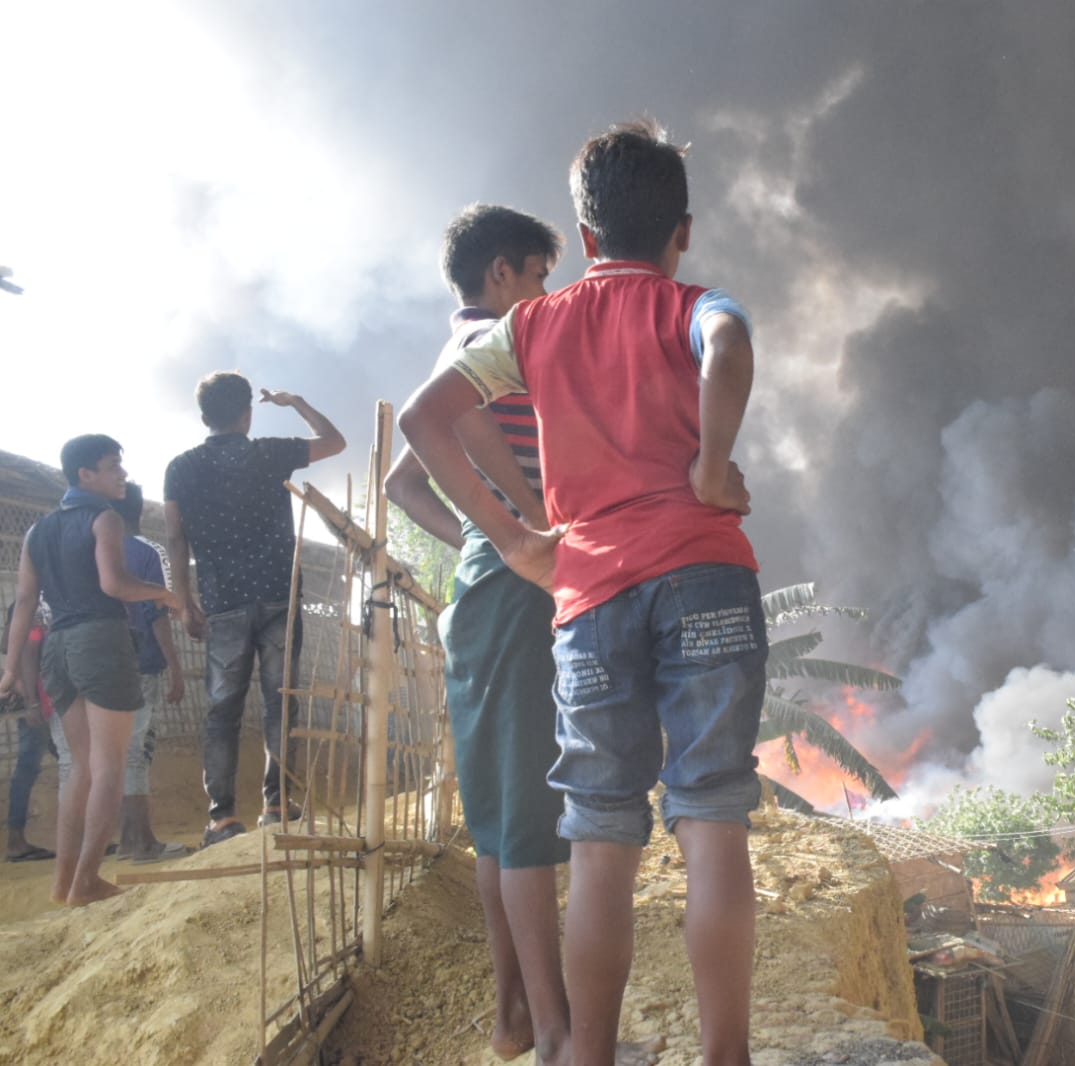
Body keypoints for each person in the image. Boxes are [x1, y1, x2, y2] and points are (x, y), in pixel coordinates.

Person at [401, 120, 766, 1066]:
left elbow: (426, 417)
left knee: (600, 840)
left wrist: (518, 541)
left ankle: (585, 1053)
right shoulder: (696, 301)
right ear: (680, 231)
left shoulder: (531, 323)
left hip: (591, 593)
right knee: (712, 817)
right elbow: (726, 345)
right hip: (705, 571)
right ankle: (727, 1055)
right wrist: (714, 466)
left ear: (588, 239)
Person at [384, 203, 573, 1062]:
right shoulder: (482, 350)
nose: (546, 290)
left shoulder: (455, 347)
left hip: (490, 586)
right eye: (538, 273)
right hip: (512, 590)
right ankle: (554, 1028)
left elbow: (399, 484)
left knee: (501, 816)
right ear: (502, 272)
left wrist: (477, 535)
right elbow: (435, 437)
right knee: (525, 818)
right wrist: (514, 534)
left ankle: (516, 1017)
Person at [163, 374, 346, 848]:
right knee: (280, 700)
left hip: (223, 604)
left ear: (204, 418)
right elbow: (335, 441)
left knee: (222, 710)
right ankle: (277, 805)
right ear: (248, 412)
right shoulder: (269, 452)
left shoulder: (181, 468)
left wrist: (184, 601)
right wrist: (298, 400)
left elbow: (176, 538)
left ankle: (221, 819)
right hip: (278, 599)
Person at [0, 435, 181, 905]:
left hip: (57, 648)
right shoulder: (105, 518)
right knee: (110, 768)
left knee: (77, 767)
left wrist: (10, 668)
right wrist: (165, 594)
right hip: (99, 639)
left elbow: (23, 601)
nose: (122, 474)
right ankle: (86, 882)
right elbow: (114, 584)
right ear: (86, 475)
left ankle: (64, 883)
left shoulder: (39, 531)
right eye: (112, 466)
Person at [106, 484, 188, 861]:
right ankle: (140, 842)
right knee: (136, 751)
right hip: (141, 663)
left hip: (100, 665)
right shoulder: (146, 552)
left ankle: (119, 838)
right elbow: (158, 616)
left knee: (110, 752)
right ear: (139, 511)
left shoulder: (94, 549)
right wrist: (175, 667)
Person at [3, 601, 55, 863]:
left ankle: (16, 839)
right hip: (41, 701)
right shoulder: (32, 604)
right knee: (29, 767)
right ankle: (15, 840)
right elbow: (24, 647)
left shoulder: (32, 602)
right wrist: (32, 700)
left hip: (45, 699)